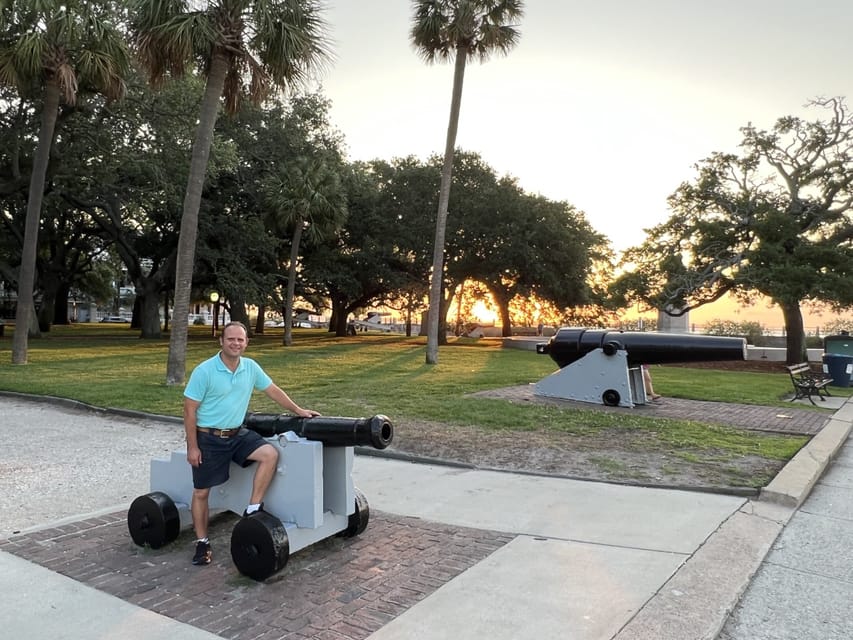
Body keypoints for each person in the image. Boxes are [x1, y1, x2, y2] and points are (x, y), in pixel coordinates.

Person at [183, 321, 320, 566]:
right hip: (209, 438)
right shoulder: (204, 371)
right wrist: (192, 447)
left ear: (246, 343)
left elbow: (273, 390)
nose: (235, 343)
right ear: (221, 341)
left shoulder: (250, 367)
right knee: (201, 492)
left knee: (269, 454)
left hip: (237, 434)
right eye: (230, 339)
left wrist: (298, 410)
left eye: (240, 340)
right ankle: (202, 542)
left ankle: (253, 507)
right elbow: (189, 410)